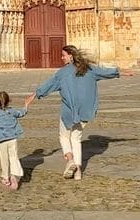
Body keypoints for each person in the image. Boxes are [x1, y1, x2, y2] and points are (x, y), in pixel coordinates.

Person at [25, 45, 134, 181]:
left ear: (70, 56)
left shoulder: (62, 73)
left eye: (63, 55)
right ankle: (78, 172)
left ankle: (70, 160)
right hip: (85, 111)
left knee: (64, 136)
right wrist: (122, 72)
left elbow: (48, 86)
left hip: (69, 111)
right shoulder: (89, 69)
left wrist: (33, 95)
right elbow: (106, 72)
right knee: (76, 139)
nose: (62, 58)